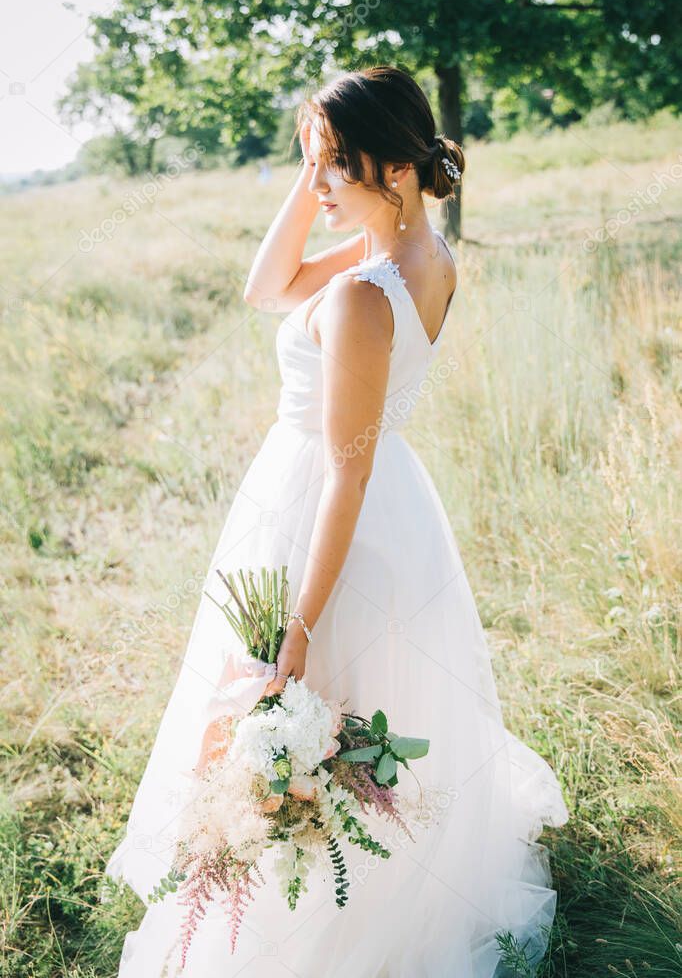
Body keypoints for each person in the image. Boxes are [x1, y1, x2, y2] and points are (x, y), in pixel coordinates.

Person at [107, 65, 568, 977]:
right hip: (391, 505)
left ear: (394, 170)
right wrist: (312, 161)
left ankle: (315, 927)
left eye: (333, 168)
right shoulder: (412, 256)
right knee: (368, 712)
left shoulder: (364, 292)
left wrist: (301, 625)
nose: (318, 186)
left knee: (317, 708)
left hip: (327, 512)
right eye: (315, 165)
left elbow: (343, 476)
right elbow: (266, 284)